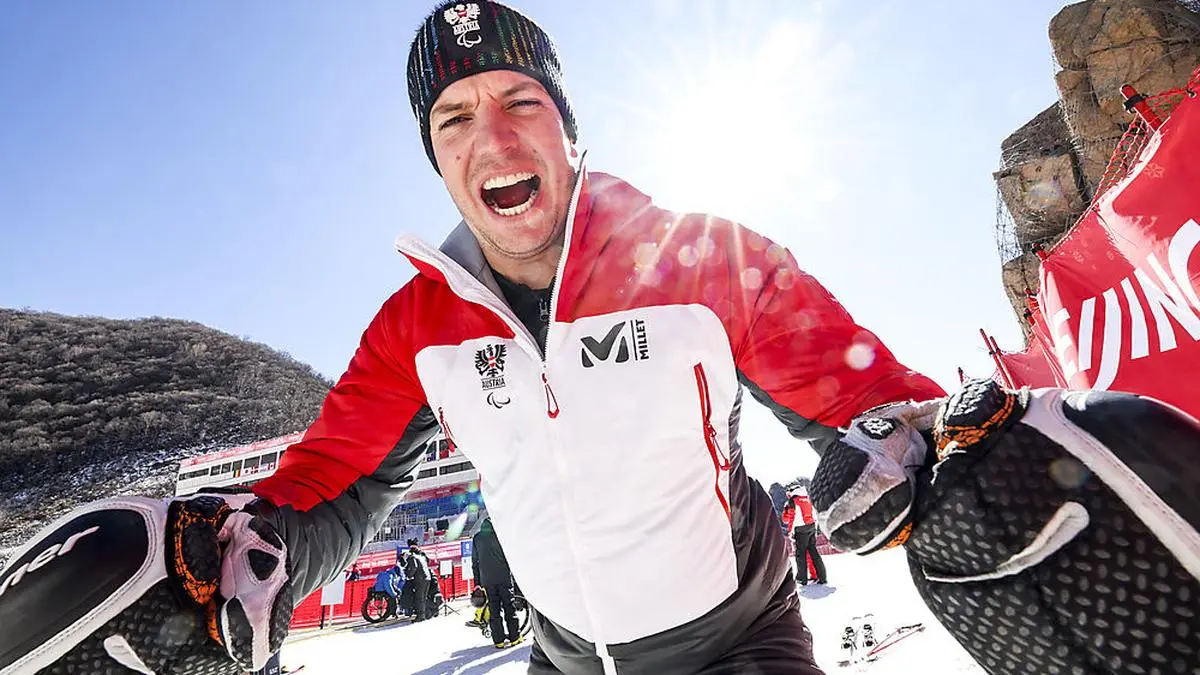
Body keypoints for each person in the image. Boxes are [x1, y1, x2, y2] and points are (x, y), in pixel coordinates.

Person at [5, 3, 1198, 675]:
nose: (494, 135)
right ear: (438, 158)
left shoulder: (698, 258)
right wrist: (239, 558)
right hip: (565, 660)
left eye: (522, 101)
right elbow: (334, 481)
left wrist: (945, 452)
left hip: (741, 640)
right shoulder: (413, 328)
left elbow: (863, 397)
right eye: (456, 117)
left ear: (567, 129)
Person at [471, 517, 523, 649]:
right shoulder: (500, 535)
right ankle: (514, 638)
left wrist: (478, 582)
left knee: (494, 611)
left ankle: (499, 641)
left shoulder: (477, 538)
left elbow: (474, 563)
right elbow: (510, 556)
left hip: (487, 580)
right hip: (503, 577)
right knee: (509, 607)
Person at [781, 486, 826, 586]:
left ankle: (802, 579)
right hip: (811, 527)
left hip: (800, 530)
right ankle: (822, 577)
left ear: (792, 492)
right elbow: (814, 514)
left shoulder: (793, 501)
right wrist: (815, 528)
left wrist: (790, 532)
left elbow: (791, 519)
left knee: (800, 555)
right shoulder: (807, 498)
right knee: (814, 552)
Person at [404, 538, 433, 622]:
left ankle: (421, 616)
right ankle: (426, 612)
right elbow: (428, 561)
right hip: (427, 577)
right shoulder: (421, 554)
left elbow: (414, 567)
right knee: (424, 597)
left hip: (420, 579)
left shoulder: (412, 556)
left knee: (419, 597)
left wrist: (409, 575)